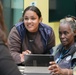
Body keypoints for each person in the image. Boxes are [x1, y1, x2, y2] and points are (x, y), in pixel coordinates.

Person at [0, 1, 22, 75]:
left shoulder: (47, 31)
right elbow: (12, 52)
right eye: (26, 18)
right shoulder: (17, 30)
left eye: (33, 18)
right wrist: (20, 56)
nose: (29, 22)